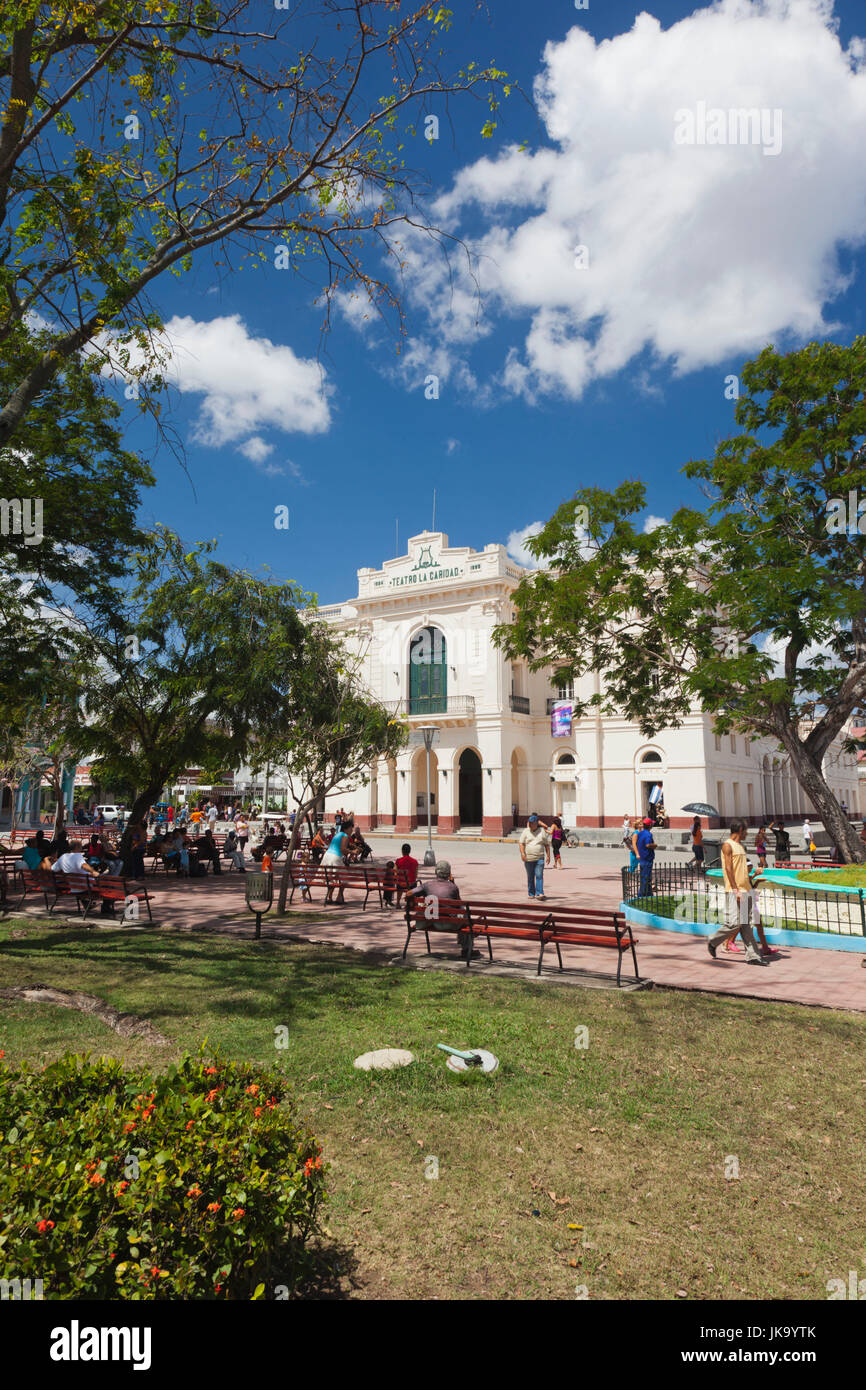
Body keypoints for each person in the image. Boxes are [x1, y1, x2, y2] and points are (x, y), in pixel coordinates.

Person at [706, 820, 769, 966]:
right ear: (740, 829)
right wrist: (735, 890)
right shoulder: (727, 845)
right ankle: (713, 940)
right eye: (745, 830)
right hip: (735, 891)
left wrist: (754, 875)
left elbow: (741, 870)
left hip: (746, 889)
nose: (747, 833)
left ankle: (753, 956)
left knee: (746, 925)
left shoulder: (740, 846)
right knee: (734, 923)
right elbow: (728, 869)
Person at [519, 813, 551, 900]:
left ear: (537, 823)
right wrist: (522, 854)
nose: (530, 824)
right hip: (528, 858)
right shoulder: (525, 831)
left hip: (539, 858)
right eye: (529, 823)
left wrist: (548, 855)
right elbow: (521, 843)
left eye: (532, 823)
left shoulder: (542, 831)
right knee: (530, 876)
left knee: (539, 875)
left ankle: (540, 893)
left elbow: (546, 844)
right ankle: (531, 893)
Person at [635, 817, 656, 895]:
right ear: (650, 825)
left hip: (642, 858)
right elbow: (647, 844)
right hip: (647, 858)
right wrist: (654, 845)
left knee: (646, 877)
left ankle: (649, 894)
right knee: (646, 878)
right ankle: (641, 895)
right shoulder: (648, 834)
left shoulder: (640, 833)